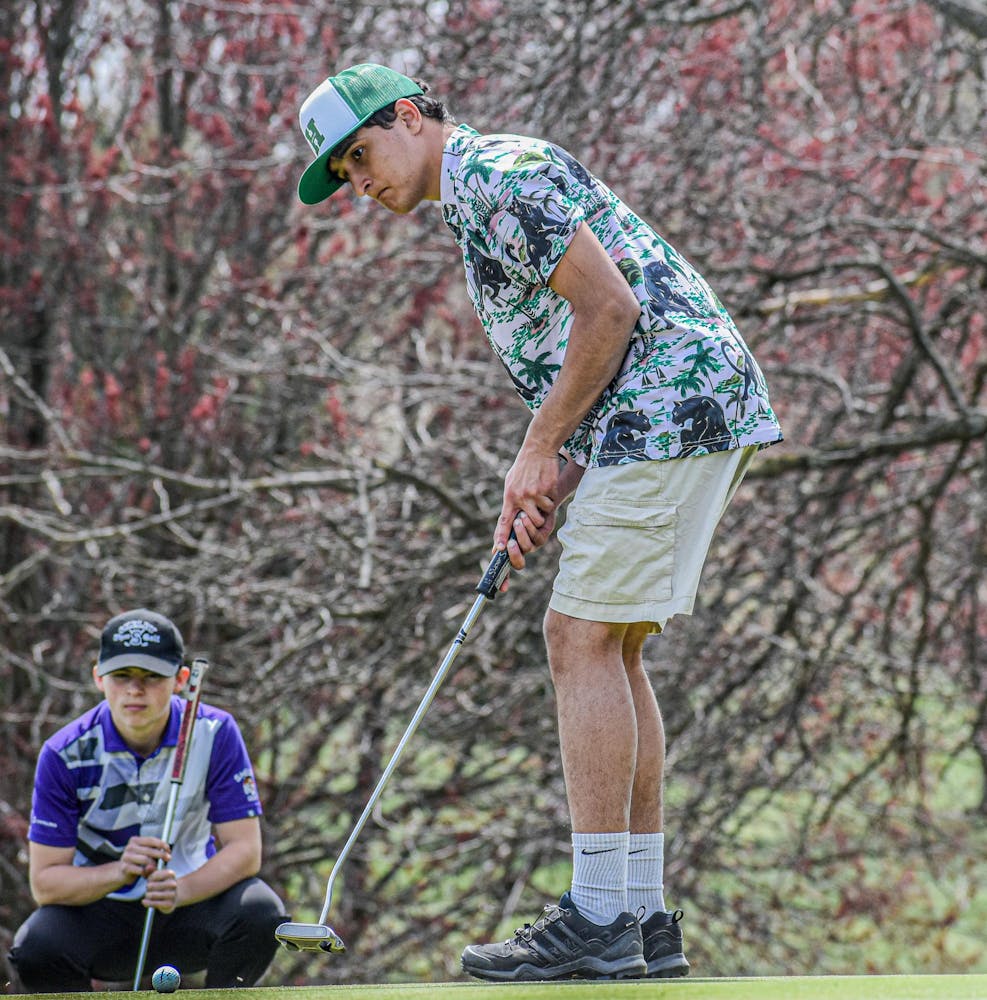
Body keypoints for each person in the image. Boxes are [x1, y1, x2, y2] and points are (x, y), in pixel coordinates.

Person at [294, 64, 783, 982]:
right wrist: (555, 479)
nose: (358, 182)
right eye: (343, 174)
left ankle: (599, 917)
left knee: (577, 637)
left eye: (359, 155)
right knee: (613, 644)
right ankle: (640, 915)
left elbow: (611, 310)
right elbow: (603, 341)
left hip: (667, 409)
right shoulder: (477, 193)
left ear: (410, 116)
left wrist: (535, 450)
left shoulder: (494, 178)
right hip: (669, 410)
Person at [8, 609, 288, 991]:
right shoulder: (64, 753)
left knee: (260, 913)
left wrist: (183, 890)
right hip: (102, 915)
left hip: (191, 903)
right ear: (98, 677)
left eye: (152, 677)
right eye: (121, 676)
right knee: (36, 949)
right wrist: (119, 872)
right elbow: (46, 883)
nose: (134, 690)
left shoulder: (214, 732)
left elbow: (246, 851)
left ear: (181, 680)